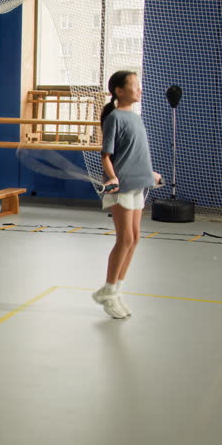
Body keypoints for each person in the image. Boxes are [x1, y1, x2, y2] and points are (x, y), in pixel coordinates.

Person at [92, 71, 161, 319]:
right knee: (124, 239)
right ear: (119, 91)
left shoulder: (136, 118)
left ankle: (116, 290)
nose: (139, 89)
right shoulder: (114, 118)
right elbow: (106, 156)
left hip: (138, 184)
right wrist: (111, 177)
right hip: (120, 187)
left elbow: (135, 153)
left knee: (134, 239)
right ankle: (108, 290)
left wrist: (149, 173)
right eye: (134, 85)